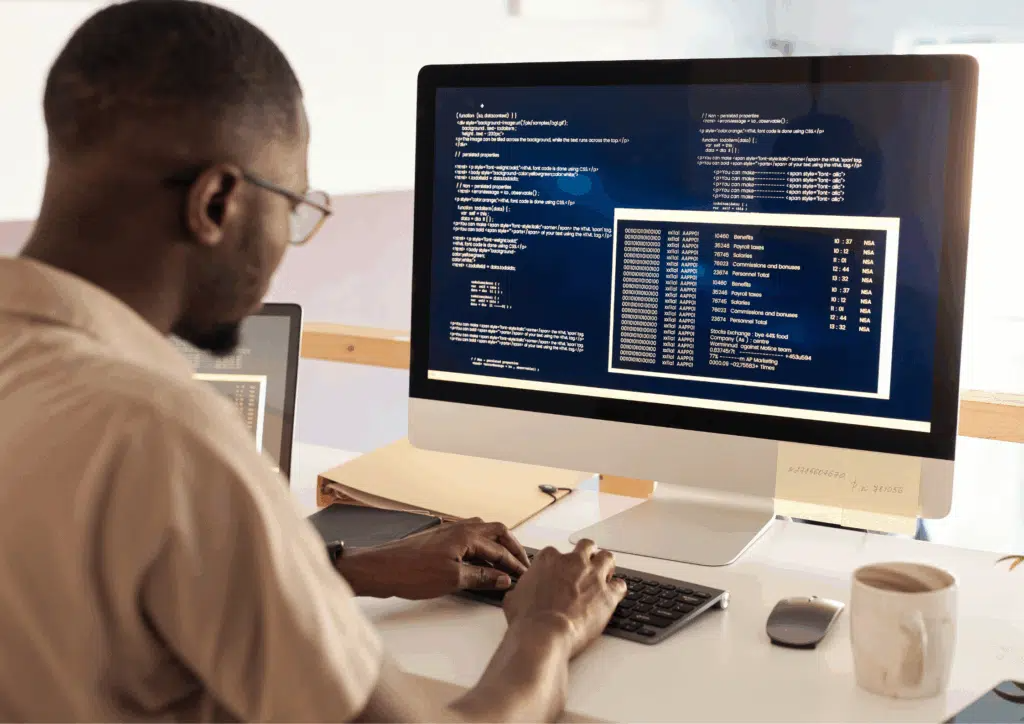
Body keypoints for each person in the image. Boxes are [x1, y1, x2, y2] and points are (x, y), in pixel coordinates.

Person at [0, 1, 626, 721]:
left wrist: (337, 568)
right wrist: (550, 623)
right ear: (216, 203)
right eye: (292, 207)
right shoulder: (169, 438)